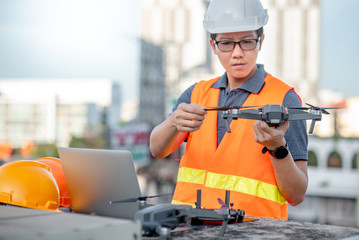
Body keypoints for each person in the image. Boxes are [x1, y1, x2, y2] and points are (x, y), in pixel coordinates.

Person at [150, 0, 308, 220]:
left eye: (247, 42)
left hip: (255, 233)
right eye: (226, 43)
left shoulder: (284, 100)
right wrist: (173, 122)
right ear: (213, 45)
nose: (237, 53)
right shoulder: (196, 94)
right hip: (189, 228)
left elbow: (297, 194)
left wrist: (277, 148)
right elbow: (157, 149)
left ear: (261, 40)